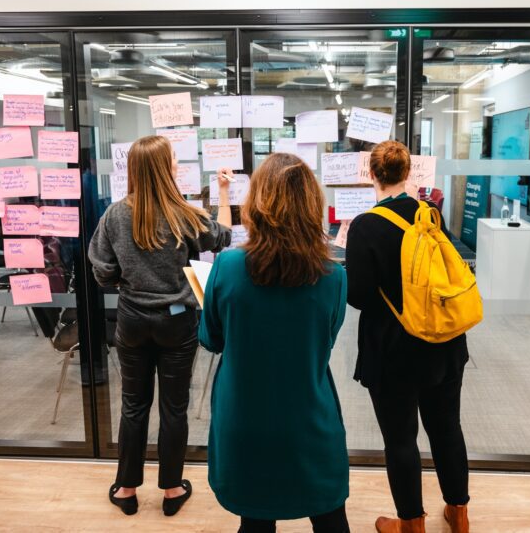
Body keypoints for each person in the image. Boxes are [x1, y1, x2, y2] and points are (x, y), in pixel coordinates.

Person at [198, 153, 350, 533]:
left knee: (255, 519)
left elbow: (211, 338)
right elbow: (324, 343)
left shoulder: (227, 267)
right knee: (330, 517)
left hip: (245, 417)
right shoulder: (333, 275)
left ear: (256, 202)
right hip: (309, 417)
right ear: (312, 204)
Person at [88, 135, 233, 516]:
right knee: (174, 408)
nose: (177, 166)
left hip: (132, 319)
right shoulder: (184, 214)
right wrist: (222, 192)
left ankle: (126, 489)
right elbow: (223, 237)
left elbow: (101, 270)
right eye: (173, 161)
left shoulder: (115, 214)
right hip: (177, 322)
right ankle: (171, 489)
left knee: (133, 405)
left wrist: (126, 282)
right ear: (165, 168)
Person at [345, 140, 471, 533]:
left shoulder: (365, 225)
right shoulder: (429, 213)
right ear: (407, 173)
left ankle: (412, 525)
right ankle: (459, 514)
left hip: (394, 350)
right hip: (444, 342)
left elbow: (359, 297)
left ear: (371, 175)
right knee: (447, 427)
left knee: (401, 439)